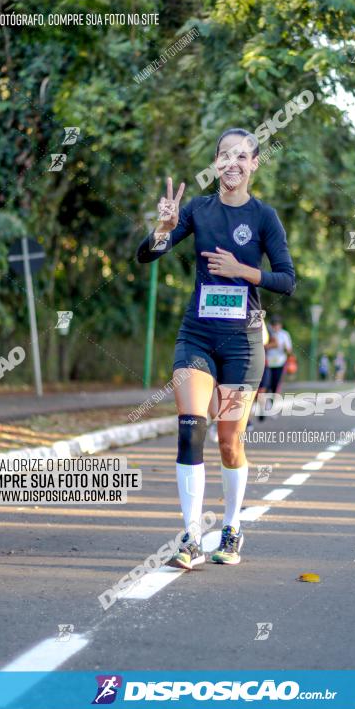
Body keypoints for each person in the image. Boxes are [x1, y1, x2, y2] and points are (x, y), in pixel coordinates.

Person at [137, 128, 295, 567]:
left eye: (242, 156)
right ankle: (189, 538)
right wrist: (162, 228)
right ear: (215, 162)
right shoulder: (198, 210)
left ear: (254, 165)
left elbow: (287, 280)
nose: (233, 163)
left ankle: (231, 529)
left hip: (243, 343)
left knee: (229, 441)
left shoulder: (265, 217)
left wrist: (242, 270)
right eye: (225, 155)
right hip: (198, 337)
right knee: (191, 426)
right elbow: (147, 254)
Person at [256, 316, 292, 421]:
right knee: (265, 386)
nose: (276, 326)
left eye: (278, 324)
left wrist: (286, 349)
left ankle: (270, 406)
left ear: (280, 325)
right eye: (274, 324)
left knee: (275, 386)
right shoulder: (267, 333)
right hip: (267, 363)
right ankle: (264, 407)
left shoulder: (284, 334)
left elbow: (289, 350)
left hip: (280, 363)